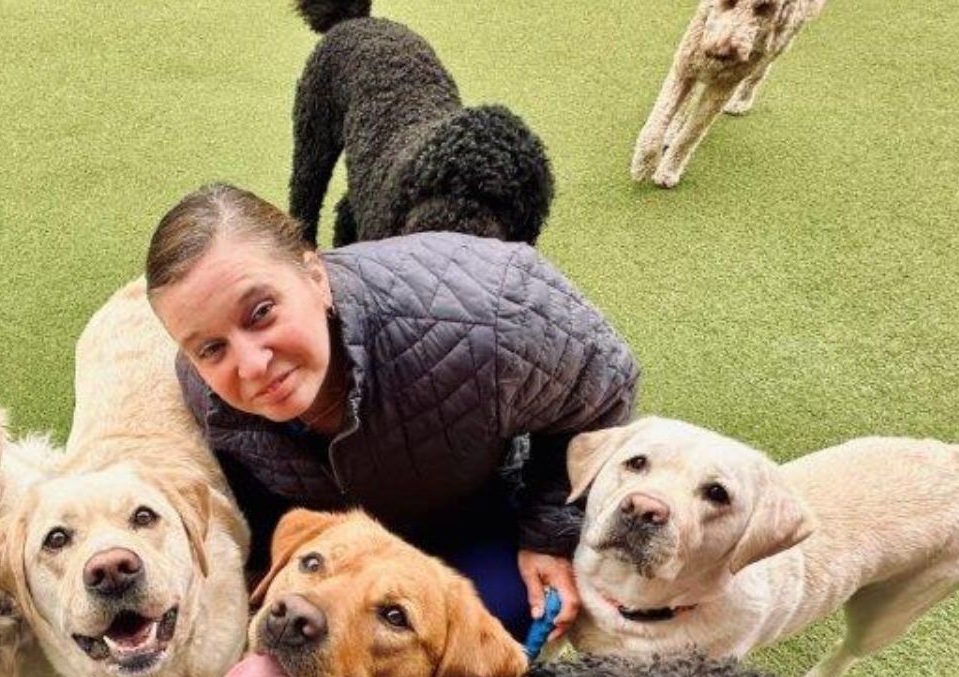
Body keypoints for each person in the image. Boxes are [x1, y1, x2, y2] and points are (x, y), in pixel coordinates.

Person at [145, 183, 639, 641]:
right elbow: (250, 487)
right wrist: (265, 576)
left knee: (489, 622)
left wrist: (549, 528)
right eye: (210, 348)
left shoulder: (493, 315)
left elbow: (605, 386)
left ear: (315, 276)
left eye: (261, 312)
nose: (251, 366)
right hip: (345, 551)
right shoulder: (204, 388)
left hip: (479, 510)